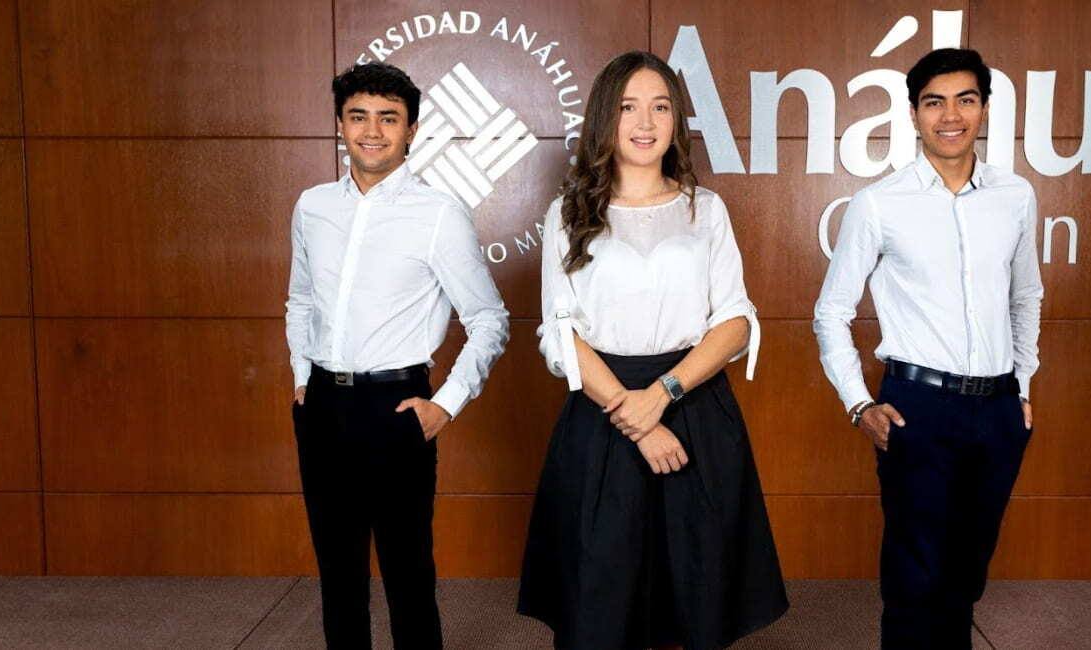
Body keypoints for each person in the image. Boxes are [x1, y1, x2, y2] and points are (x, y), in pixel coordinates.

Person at [516, 50, 789, 650]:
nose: (646, 122)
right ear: (603, 121)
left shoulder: (705, 208)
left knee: (697, 593)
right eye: (628, 107)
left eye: (661, 107)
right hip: (602, 413)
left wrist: (663, 395)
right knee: (600, 598)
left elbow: (736, 321)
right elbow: (560, 333)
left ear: (676, 121)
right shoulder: (567, 213)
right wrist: (635, 419)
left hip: (695, 410)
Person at [812, 48, 1043, 648]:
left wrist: (1021, 387)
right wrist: (859, 405)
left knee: (967, 571)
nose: (951, 115)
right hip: (919, 405)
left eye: (965, 100)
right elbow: (831, 312)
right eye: (934, 102)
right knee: (916, 574)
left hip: (997, 408)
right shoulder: (879, 203)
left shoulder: (1015, 196)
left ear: (984, 109)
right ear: (914, 114)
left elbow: (1026, 299)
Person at [285, 62, 510, 649]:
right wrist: (301, 378)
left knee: (409, 578)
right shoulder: (312, 206)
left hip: (398, 407)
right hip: (323, 407)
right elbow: (301, 297)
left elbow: (489, 319)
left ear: (411, 129)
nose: (372, 130)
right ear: (340, 124)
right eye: (358, 116)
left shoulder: (438, 213)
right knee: (338, 580)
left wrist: (446, 406)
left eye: (389, 118)